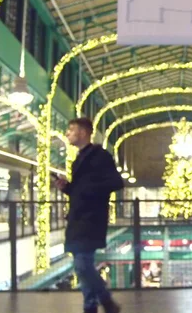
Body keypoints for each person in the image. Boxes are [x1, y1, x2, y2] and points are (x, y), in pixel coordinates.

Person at [54, 117, 124, 313]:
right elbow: (79, 191)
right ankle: (90, 306)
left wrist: (86, 189)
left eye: (71, 129)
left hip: (90, 219)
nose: (68, 133)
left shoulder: (99, 156)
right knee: (82, 266)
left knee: (83, 264)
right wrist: (66, 187)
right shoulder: (79, 159)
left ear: (83, 133)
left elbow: (116, 183)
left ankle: (106, 300)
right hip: (79, 218)